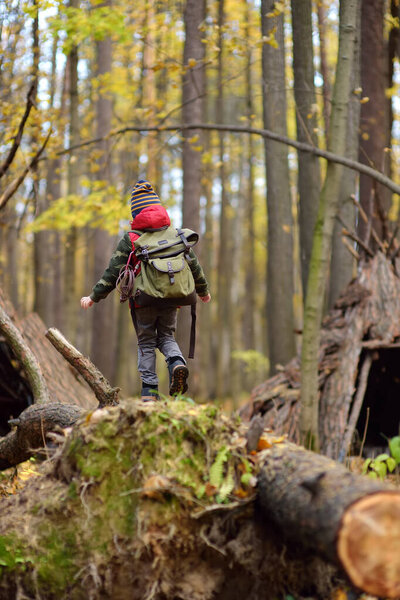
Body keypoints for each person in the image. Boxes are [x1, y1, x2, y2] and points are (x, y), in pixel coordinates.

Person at [81, 180, 211, 401]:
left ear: (136, 213)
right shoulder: (176, 235)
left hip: (144, 301)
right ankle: (177, 363)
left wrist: (94, 296)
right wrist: (203, 290)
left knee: (146, 342)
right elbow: (193, 264)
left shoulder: (132, 238)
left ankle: (149, 393)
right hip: (173, 298)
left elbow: (113, 272)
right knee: (167, 337)